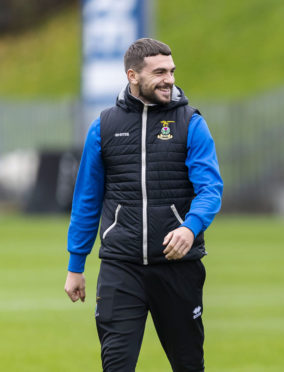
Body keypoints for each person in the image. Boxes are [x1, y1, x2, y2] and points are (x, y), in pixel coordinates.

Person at [64, 38, 223, 371]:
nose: (169, 79)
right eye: (160, 72)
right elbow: (86, 201)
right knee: (117, 364)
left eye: (171, 71)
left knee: (189, 364)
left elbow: (210, 189)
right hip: (121, 267)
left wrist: (190, 228)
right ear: (132, 75)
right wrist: (76, 265)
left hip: (178, 267)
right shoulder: (104, 126)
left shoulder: (191, 122)